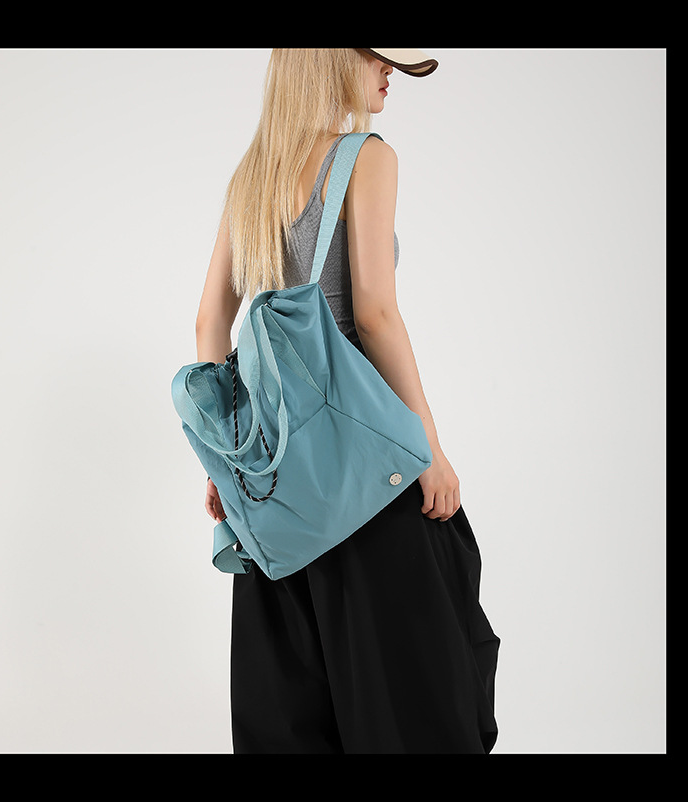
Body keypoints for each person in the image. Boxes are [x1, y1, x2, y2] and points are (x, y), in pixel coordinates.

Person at [194, 48, 499, 754]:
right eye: (379, 57)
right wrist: (428, 450)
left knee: (293, 713)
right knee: (417, 699)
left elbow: (210, 322)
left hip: (276, 489)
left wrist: (230, 463)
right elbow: (375, 315)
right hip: (368, 476)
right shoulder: (367, 157)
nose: (390, 71)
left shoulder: (252, 176)